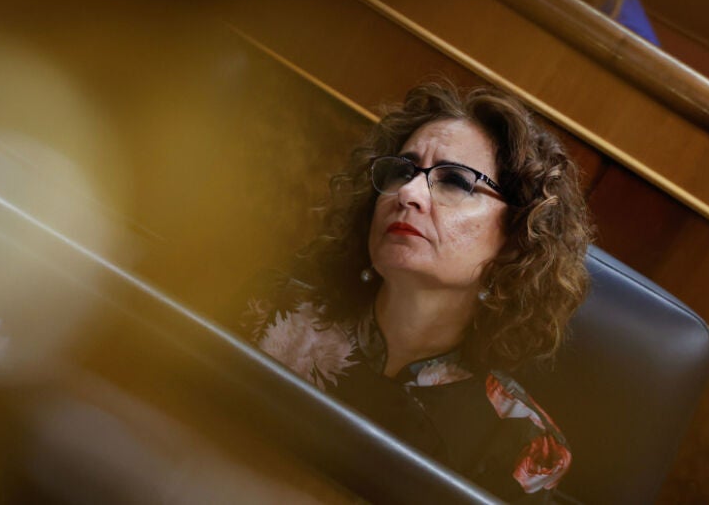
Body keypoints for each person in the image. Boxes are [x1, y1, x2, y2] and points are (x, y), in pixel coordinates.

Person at [244, 81, 592, 502]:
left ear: (516, 238)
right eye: (401, 172)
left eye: (455, 182)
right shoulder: (269, 308)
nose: (408, 193)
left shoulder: (520, 440)